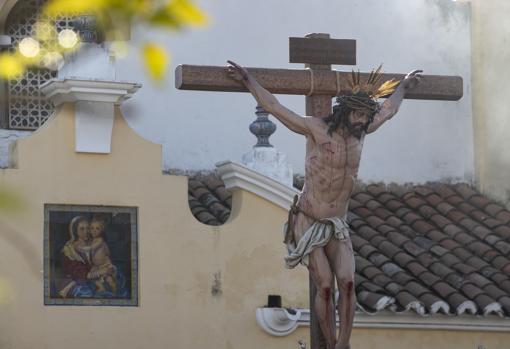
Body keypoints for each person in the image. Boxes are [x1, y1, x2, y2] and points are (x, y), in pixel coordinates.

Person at [227, 61, 422, 349]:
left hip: (337, 224)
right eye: (358, 114)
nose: (362, 120)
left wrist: (404, 85)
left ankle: (343, 344)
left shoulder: (362, 133)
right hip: (309, 219)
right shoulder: (315, 129)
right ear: (345, 111)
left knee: (348, 283)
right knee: (327, 287)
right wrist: (248, 80)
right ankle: (329, 343)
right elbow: (276, 107)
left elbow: (388, 110)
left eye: (366, 116)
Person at [88, 217, 117, 293]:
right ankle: (101, 287)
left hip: (105, 264)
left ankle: (114, 289)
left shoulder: (100, 240)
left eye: (97, 229)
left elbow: (92, 248)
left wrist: (83, 248)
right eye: (92, 228)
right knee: (91, 276)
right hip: (96, 266)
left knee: (109, 279)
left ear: (101, 230)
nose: (94, 231)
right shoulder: (90, 240)